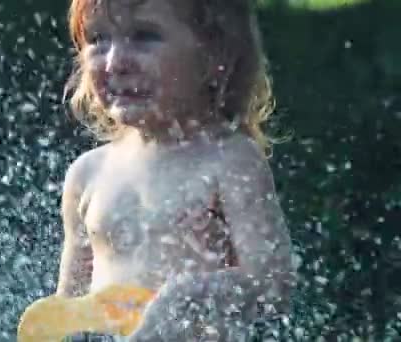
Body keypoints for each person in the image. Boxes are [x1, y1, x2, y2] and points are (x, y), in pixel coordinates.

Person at [56, 0, 296, 340]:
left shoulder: (229, 160)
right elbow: (69, 305)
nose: (115, 62)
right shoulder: (87, 174)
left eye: (144, 36)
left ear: (215, 57)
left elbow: (273, 285)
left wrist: (188, 298)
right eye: (98, 39)